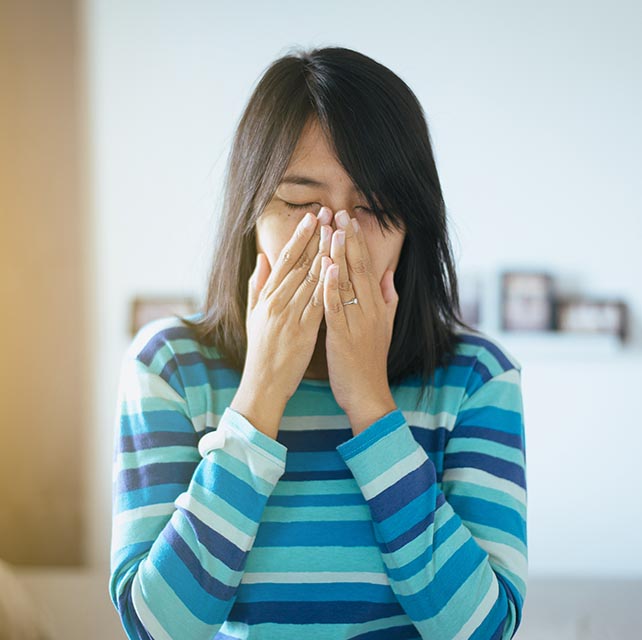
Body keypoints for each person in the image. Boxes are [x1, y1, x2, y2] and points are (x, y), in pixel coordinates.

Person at [109, 46, 527, 640]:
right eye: (303, 204)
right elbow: (156, 627)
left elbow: (485, 630)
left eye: (374, 207)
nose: (335, 236)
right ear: (249, 212)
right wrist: (260, 395)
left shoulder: (477, 378)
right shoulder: (170, 368)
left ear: (413, 226)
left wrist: (370, 404)